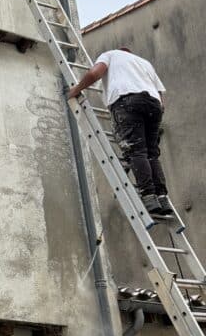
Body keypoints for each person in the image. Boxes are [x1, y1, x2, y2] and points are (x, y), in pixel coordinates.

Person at [67, 46, 173, 218]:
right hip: (153, 105)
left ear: (120, 51)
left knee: (136, 151)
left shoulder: (110, 55)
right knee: (152, 154)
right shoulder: (144, 63)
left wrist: (76, 90)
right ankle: (162, 197)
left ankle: (149, 197)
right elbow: (161, 99)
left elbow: (95, 74)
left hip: (127, 100)